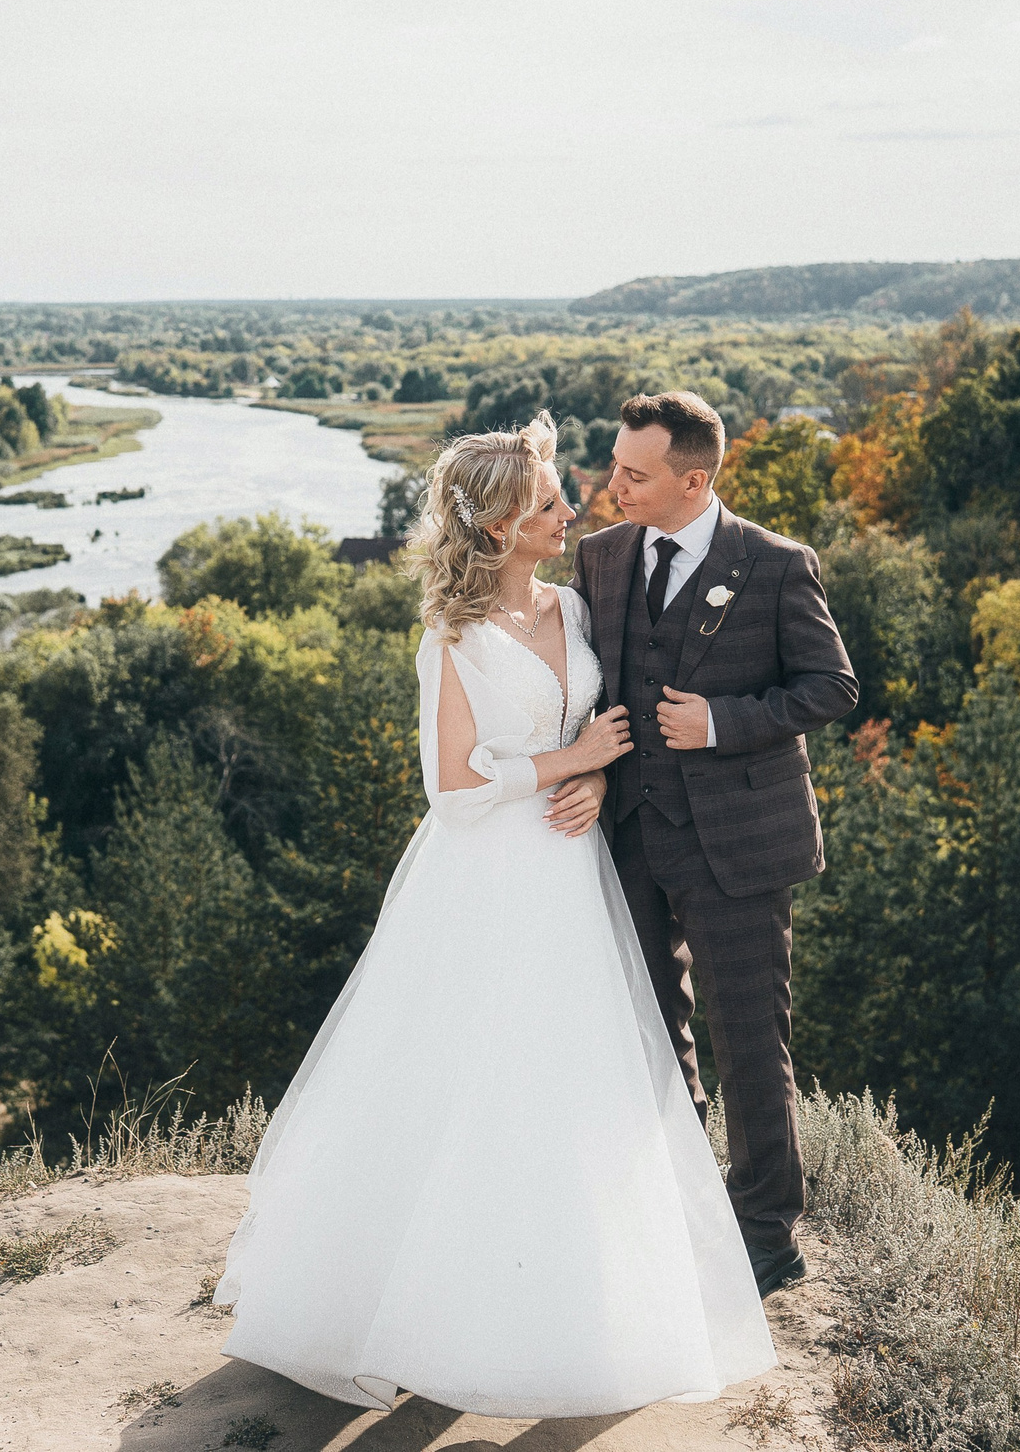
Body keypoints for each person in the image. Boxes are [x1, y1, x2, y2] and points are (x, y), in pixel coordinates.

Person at [213, 411, 776, 1418]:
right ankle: (418, 1311)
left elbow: (601, 727)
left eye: (559, 495)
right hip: (485, 877)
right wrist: (573, 762)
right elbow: (455, 789)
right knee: (464, 1078)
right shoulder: (454, 638)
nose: (571, 510)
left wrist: (595, 780)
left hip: (572, 872)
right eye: (548, 503)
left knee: (569, 1082)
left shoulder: (574, 605)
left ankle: (564, 1303)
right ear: (497, 527)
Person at [569, 391, 859, 1298]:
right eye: (615, 465)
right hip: (626, 835)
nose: (613, 484)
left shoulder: (775, 564)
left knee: (750, 1041)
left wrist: (722, 722)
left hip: (738, 843)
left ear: (693, 481)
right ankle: (682, 1205)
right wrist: (584, 770)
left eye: (634, 473)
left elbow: (832, 686)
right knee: (651, 1033)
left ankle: (766, 1235)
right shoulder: (601, 556)